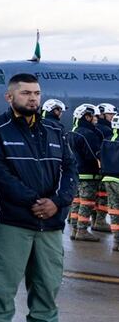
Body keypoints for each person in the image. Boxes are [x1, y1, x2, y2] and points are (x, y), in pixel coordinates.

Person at [0, 73, 77, 322]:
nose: (33, 98)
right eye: (26, 93)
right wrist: (35, 201)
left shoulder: (56, 129)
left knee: (47, 286)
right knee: (1, 286)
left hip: (50, 224)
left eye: (36, 93)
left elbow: (70, 169)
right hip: (11, 221)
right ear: (10, 97)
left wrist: (57, 202)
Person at [68, 104, 103, 242]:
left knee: (76, 201)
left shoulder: (72, 131)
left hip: (76, 173)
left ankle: (76, 229)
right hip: (88, 174)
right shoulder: (88, 134)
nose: (96, 119)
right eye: (94, 116)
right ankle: (82, 231)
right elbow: (94, 154)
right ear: (87, 117)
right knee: (87, 203)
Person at [93, 103, 117, 232]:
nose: (113, 117)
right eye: (110, 114)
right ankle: (100, 221)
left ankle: (95, 220)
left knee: (93, 196)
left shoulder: (95, 127)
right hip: (105, 170)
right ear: (102, 114)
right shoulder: (107, 131)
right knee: (102, 196)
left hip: (98, 170)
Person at [99, 116, 119, 249]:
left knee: (114, 210)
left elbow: (99, 156)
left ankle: (117, 241)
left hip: (108, 179)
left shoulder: (106, 140)